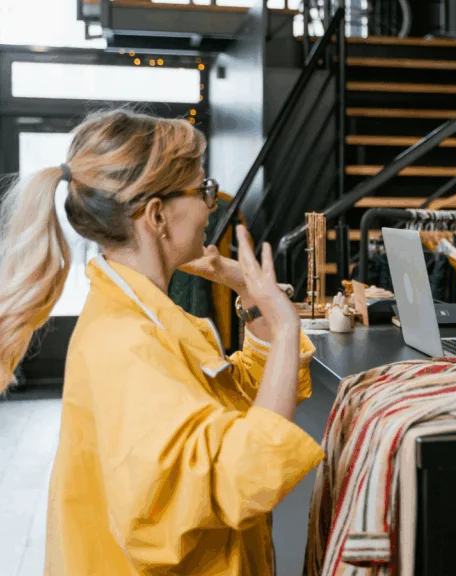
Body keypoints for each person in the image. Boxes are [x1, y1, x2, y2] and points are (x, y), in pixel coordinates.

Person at [0, 110, 324, 575]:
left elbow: (239, 412)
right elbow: (244, 471)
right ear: (156, 215)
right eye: (203, 190)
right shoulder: (128, 343)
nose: (211, 206)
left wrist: (254, 303)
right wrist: (288, 324)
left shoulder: (148, 316)